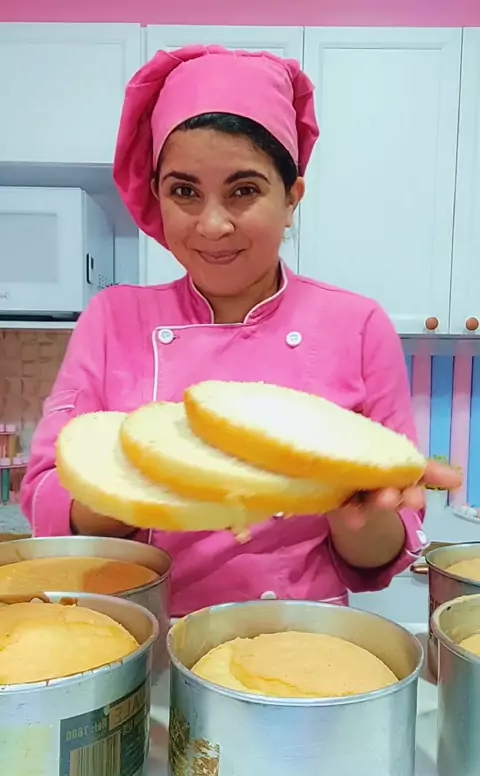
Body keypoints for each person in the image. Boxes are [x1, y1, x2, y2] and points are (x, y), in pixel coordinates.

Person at [20, 45, 460, 617]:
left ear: (292, 197)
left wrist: (356, 511)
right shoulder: (113, 318)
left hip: (301, 637)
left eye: (244, 190)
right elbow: (45, 501)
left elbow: (379, 558)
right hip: (144, 635)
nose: (212, 224)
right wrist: (151, 478)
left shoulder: (357, 325)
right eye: (184, 191)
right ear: (157, 196)